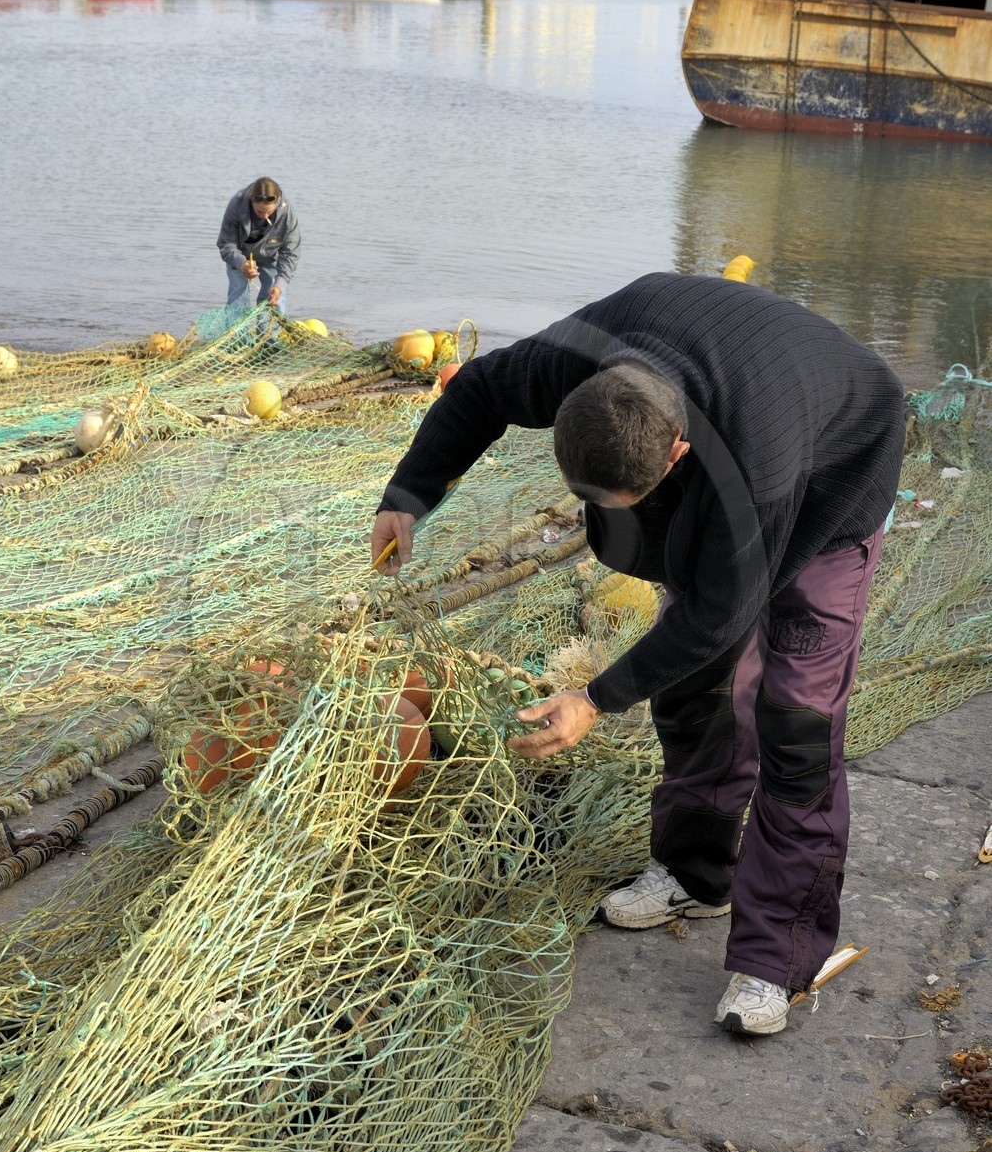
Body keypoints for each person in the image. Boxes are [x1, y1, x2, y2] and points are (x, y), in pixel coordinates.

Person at [369, 273, 906, 1037]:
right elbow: (479, 389)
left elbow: (725, 611)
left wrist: (591, 698)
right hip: (722, 427)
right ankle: (694, 874)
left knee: (793, 723)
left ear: (677, 451)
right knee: (689, 684)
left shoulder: (754, 458)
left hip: (836, 472)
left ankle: (773, 957)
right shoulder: (577, 361)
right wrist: (408, 493)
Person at [217, 177, 301, 313]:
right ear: (251, 200)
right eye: (259, 212)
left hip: (270, 256)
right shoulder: (236, 204)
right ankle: (237, 333)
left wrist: (279, 285)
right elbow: (226, 243)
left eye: (269, 212)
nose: (264, 216)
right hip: (240, 256)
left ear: (277, 202)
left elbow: (291, 253)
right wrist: (241, 263)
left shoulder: (287, 212)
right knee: (238, 292)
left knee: (274, 297)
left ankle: (269, 334)